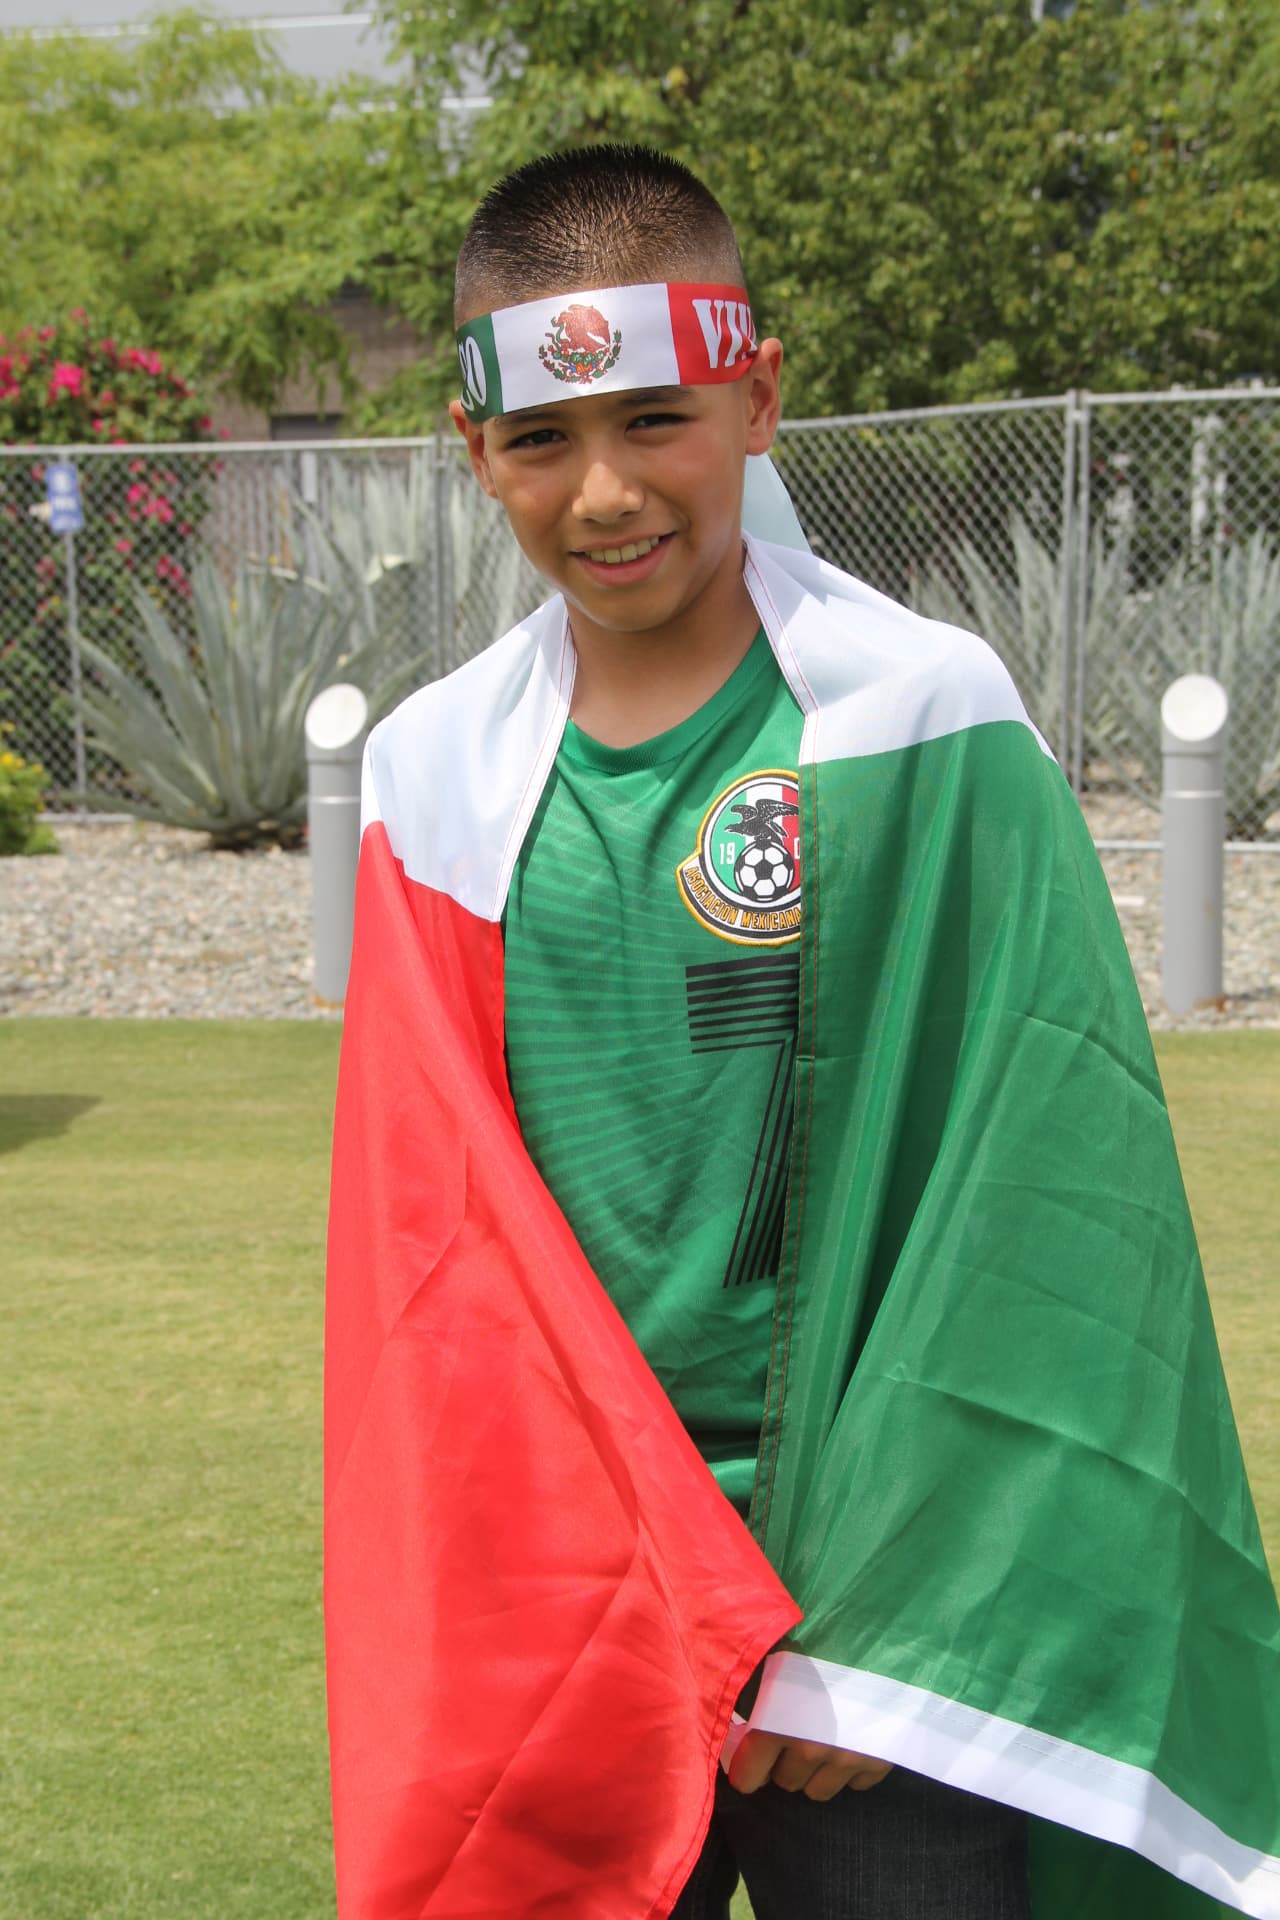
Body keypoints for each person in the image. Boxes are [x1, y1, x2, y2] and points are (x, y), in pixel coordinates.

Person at [324, 145, 1280, 1920]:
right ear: (473, 450)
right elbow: (439, 1253)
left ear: (757, 398)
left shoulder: (926, 717)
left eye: (656, 421)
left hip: (889, 1640)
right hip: (583, 1613)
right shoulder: (431, 780)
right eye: (541, 440)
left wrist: (883, 1620)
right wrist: (623, 1584)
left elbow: (1037, 1200)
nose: (606, 491)